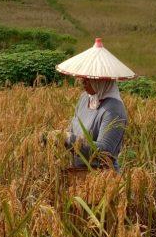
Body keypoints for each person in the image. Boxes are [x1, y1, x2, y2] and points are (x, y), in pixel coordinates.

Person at [55, 39, 136, 170]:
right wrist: (58, 137)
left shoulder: (113, 110)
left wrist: (69, 139)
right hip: (77, 172)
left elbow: (105, 152)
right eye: (83, 78)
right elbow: (72, 130)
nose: (83, 82)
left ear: (102, 82)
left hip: (101, 177)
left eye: (88, 79)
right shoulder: (84, 99)